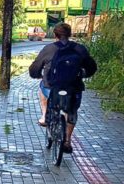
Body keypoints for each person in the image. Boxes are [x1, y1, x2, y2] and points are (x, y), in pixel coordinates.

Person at [28, 22, 97, 153]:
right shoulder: (80, 49)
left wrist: (37, 75)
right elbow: (92, 68)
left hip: (52, 88)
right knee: (71, 111)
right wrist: (83, 74)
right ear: (70, 35)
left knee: (42, 87)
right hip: (74, 88)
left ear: (55, 35)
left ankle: (44, 116)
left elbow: (35, 68)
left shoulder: (48, 49)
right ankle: (67, 141)